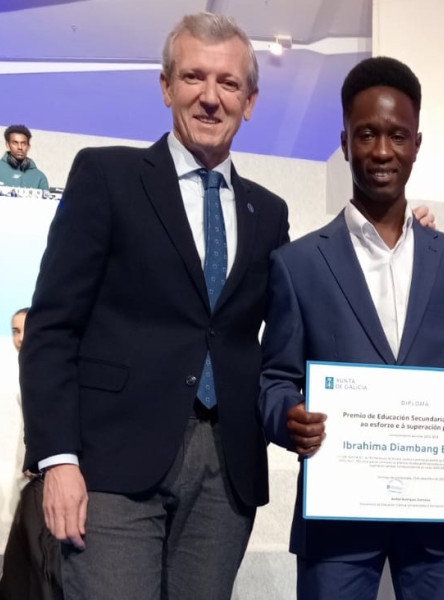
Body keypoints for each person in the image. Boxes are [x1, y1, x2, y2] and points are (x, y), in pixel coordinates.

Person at [18, 13, 290, 600]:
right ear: (166, 86)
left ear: (251, 101)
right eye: (193, 77)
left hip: (226, 471)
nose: (210, 97)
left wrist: (386, 231)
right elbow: (53, 327)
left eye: (228, 83)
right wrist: (57, 460)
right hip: (112, 465)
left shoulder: (268, 213)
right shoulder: (107, 176)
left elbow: (292, 317)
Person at [259, 56, 444, 600]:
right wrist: (288, 419)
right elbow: (274, 378)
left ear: (418, 143)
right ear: (344, 141)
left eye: (398, 136)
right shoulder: (298, 264)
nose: (382, 151)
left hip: (440, 521)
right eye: (367, 134)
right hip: (336, 521)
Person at [0, 308, 63, 600]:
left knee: (40, 571)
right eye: (15, 331)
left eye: (26, 329)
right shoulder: (12, 370)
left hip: (42, 484)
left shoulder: (50, 371)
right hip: (18, 482)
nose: (20, 338)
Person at [0, 125, 49, 190]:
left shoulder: (40, 177)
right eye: (15, 143)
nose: (20, 147)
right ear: (7, 145)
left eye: (23, 143)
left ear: (28, 146)